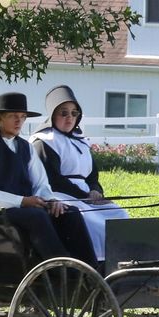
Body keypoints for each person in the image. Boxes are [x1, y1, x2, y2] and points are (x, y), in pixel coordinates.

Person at [0, 91, 98, 269]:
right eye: (13, 116)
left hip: (25, 208)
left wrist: (50, 200)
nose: (19, 121)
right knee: (36, 216)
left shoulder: (26, 147)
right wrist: (23, 201)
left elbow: (40, 183)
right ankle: (61, 268)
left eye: (22, 117)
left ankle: (90, 268)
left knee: (69, 212)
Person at [30, 85, 130, 267]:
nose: (70, 118)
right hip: (59, 195)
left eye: (74, 113)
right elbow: (53, 180)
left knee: (119, 215)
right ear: (53, 114)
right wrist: (84, 196)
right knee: (91, 221)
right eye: (64, 113)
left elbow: (92, 175)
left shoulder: (81, 141)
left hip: (86, 196)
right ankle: (98, 266)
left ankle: (122, 261)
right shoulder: (44, 141)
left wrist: (95, 191)